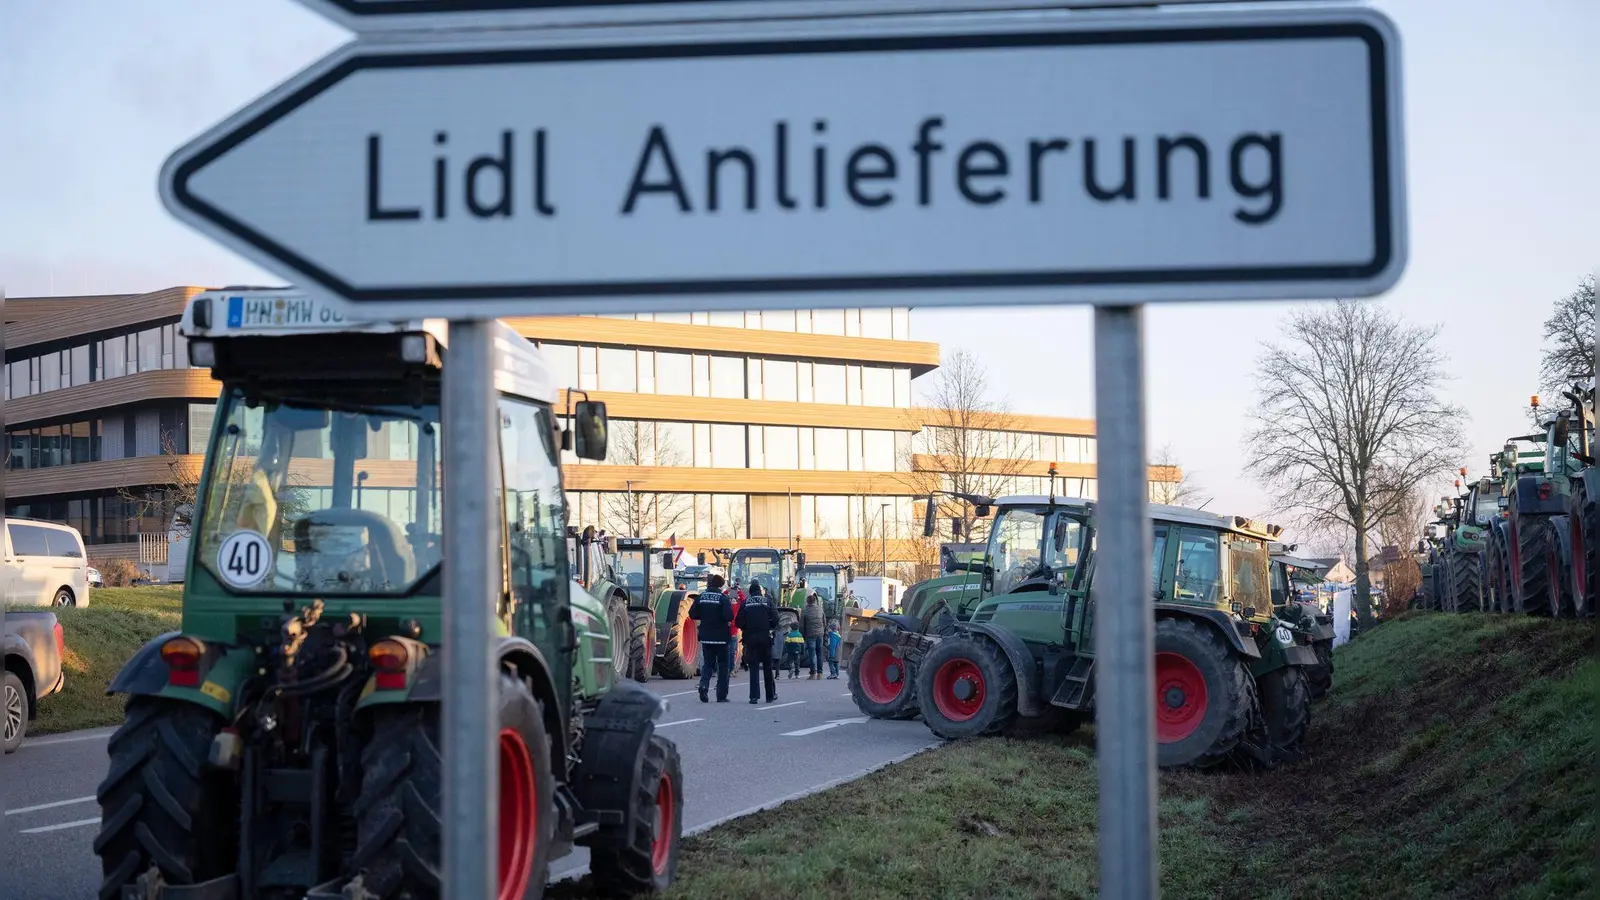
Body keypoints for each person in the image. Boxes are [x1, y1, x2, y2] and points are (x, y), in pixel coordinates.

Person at [688, 573, 734, 703]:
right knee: (723, 666)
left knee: (708, 664)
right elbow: (729, 616)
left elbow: (692, 614)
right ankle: (721, 695)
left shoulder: (701, 597)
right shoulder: (723, 598)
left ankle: (703, 685)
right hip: (721, 638)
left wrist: (704, 617)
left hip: (706, 637)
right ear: (721, 585)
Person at [736, 579, 778, 704]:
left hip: (750, 638)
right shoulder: (768, 601)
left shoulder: (745, 603)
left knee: (753, 667)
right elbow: (776, 618)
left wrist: (747, 627)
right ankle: (770, 695)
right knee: (767, 667)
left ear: (750, 592)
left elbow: (739, 621)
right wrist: (769, 626)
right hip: (765, 637)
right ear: (760, 591)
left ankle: (754, 697)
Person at [801, 591, 826, 679]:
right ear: (815, 601)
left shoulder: (805, 611)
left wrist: (803, 636)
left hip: (810, 635)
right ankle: (820, 674)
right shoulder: (820, 610)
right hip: (820, 634)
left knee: (812, 654)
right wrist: (822, 631)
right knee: (819, 654)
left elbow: (802, 625)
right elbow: (824, 622)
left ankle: (812, 674)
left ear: (807, 602)